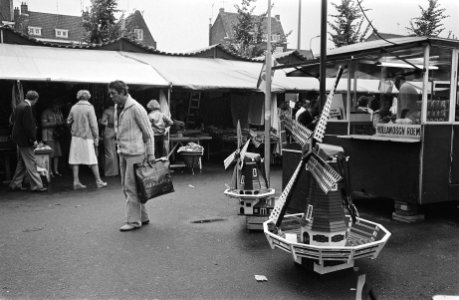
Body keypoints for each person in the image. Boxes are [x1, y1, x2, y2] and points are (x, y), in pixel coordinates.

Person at [108, 80, 155, 232]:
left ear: (123, 92)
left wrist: (151, 154)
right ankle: (143, 217)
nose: (111, 96)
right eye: (110, 93)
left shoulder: (136, 108)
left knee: (131, 187)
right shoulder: (118, 107)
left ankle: (133, 221)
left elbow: (148, 134)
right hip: (124, 152)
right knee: (132, 186)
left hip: (136, 153)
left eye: (113, 93)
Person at [67, 90, 107, 190]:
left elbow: (68, 121)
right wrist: (96, 136)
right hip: (87, 136)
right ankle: (98, 181)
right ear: (88, 97)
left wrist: (73, 128)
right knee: (92, 158)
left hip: (75, 137)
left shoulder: (74, 107)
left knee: (75, 159)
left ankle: (76, 181)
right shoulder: (89, 108)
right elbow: (93, 124)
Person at [8, 90, 47, 192]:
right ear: (35, 99)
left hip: (19, 138)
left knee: (22, 163)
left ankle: (15, 184)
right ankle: (37, 186)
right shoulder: (27, 107)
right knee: (31, 162)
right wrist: (33, 139)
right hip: (25, 139)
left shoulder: (19, 105)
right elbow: (28, 126)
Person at [41, 99, 65, 177]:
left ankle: (56, 170)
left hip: (57, 136)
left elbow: (62, 121)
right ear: (52, 105)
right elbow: (43, 124)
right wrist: (56, 123)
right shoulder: (46, 112)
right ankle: (50, 171)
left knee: (57, 154)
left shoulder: (59, 112)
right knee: (50, 154)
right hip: (48, 136)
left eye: (59, 106)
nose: (57, 107)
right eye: (56, 105)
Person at [99, 104, 119, 176]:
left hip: (108, 130)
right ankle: (115, 171)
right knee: (114, 151)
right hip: (116, 130)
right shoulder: (117, 111)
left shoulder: (107, 111)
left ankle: (109, 172)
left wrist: (100, 121)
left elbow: (103, 122)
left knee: (108, 152)